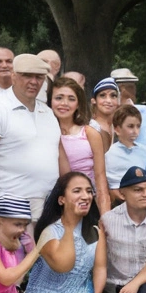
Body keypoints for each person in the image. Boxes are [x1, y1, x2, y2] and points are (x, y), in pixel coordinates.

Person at [0, 53, 61, 229]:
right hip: (10, 210)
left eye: (39, 77)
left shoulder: (48, 112)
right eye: (27, 75)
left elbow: (58, 157)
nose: (34, 82)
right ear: (13, 76)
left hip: (49, 208)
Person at [50, 77, 112, 215]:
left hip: (86, 202)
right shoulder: (44, 133)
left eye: (71, 99)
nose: (64, 103)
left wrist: (105, 215)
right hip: (54, 202)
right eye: (59, 98)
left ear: (78, 104)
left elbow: (100, 178)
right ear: (50, 101)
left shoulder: (90, 133)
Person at [105, 105, 146, 203]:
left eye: (138, 126)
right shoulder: (110, 153)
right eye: (130, 126)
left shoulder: (145, 151)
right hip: (118, 201)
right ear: (117, 129)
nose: (135, 131)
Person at [89, 77, 120, 149]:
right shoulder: (90, 127)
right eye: (102, 95)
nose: (108, 100)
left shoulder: (120, 127)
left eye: (113, 96)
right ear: (94, 100)